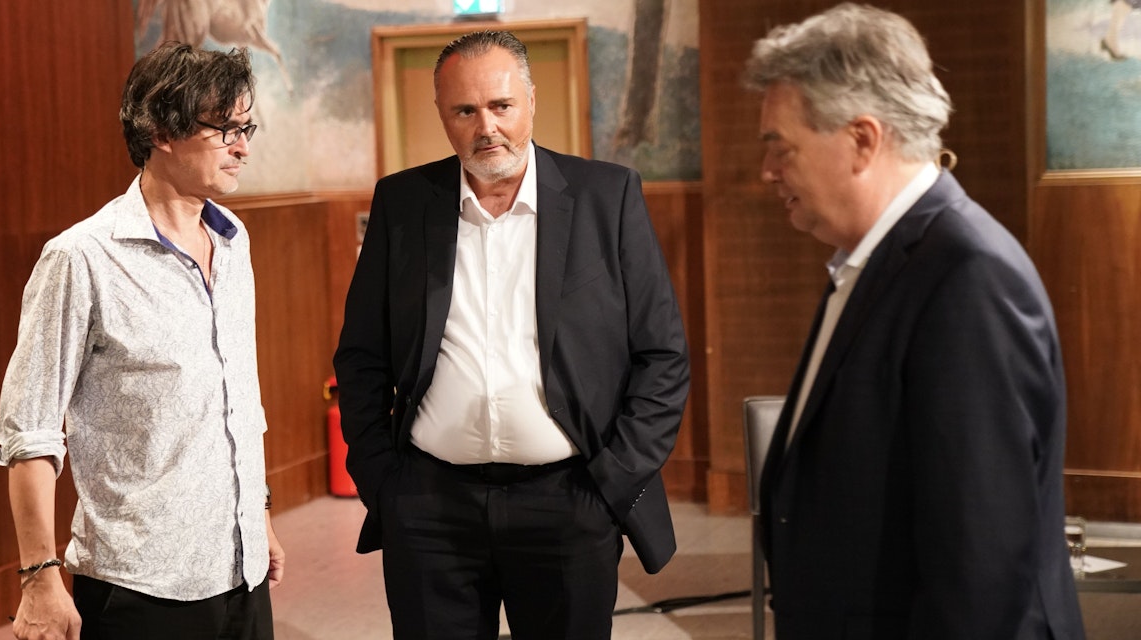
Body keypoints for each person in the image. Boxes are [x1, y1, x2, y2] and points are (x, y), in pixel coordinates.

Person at [333, 29, 690, 640]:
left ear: (531, 101)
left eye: (501, 106)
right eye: (464, 111)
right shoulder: (403, 202)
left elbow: (663, 355)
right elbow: (362, 355)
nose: (486, 127)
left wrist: (610, 483)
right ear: (442, 114)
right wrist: (384, 482)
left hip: (570, 501)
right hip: (429, 508)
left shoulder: (607, 196)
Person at [743, 4, 1086, 639]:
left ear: (863, 140)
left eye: (781, 147)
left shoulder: (968, 278)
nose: (767, 171)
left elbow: (979, 569)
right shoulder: (877, 260)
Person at [0, 42, 283, 640]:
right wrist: (39, 577)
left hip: (243, 566)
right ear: (161, 131)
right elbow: (30, 430)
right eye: (224, 129)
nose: (243, 147)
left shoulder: (233, 241)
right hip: (141, 584)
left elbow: (239, 400)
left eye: (246, 128)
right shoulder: (81, 258)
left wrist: (259, 516)